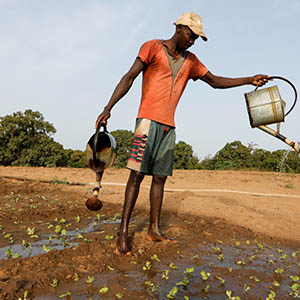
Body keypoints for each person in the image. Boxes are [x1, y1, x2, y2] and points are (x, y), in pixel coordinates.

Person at [96, 12, 269, 255]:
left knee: (160, 178)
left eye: (197, 38)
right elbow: (129, 77)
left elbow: (215, 81)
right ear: (179, 29)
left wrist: (248, 80)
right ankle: (123, 233)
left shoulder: (192, 61)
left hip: (169, 127)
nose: (193, 40)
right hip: (147, 122)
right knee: (136, 176)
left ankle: (154, 229)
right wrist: (108, 108)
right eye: (191, 35)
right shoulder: (152, 47)